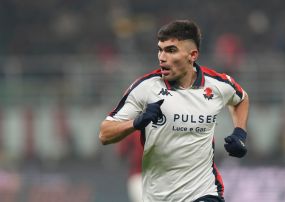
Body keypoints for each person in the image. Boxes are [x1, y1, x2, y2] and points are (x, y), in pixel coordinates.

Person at [99, 19, 249, 202]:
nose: (162, 57)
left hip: (203, 191)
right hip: (158, 195)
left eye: (171, 50)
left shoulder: (217, 84)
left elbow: (241, 99)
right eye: (160, 50)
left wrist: (240, 133)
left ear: (192, 55)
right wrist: (136, 123)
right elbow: (105, 134)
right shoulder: (145, 88)